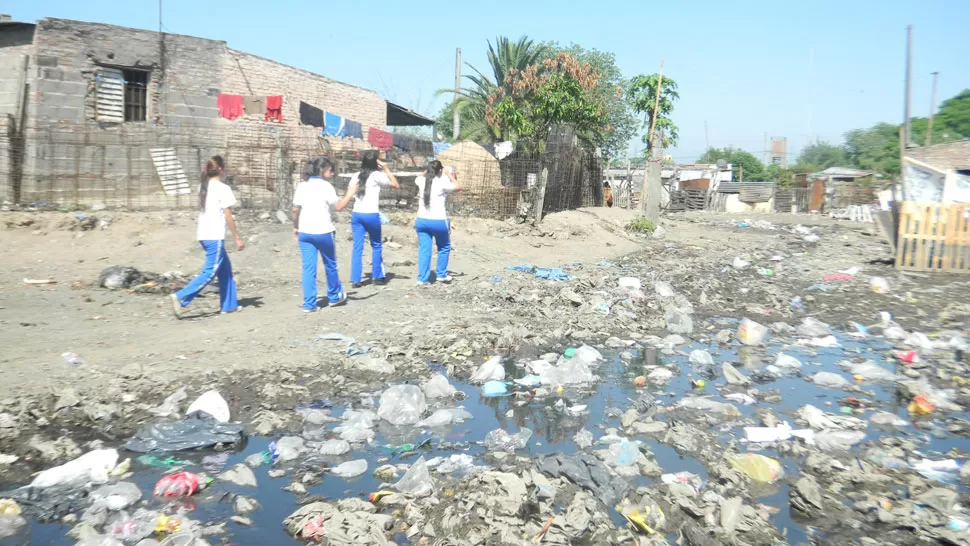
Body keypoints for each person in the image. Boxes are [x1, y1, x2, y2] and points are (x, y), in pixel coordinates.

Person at [169, 156, 244, 318]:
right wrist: (237, 236)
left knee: (226, 271)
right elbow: (228, 216)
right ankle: (180, 296)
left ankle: (229, 305)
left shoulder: (201, 187)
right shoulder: (223, 189)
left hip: (203, 234)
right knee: (210, 272)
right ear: (221, 170)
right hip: (214, 235)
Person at [292, 156, 347, 312]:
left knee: (308, 268)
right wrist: (351, 193)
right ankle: (334, 297)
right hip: (324, 231)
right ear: (323, 170)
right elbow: (339, 206)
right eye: (330, 171)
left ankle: (309, 304)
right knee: (330, 264)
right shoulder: (326, 187)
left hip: (305, 232)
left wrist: (295, 227)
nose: (332, 173)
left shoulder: (302, 186)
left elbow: (295, 210)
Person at [343, 150, 399, 287]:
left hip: (357, 214)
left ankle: (355, 279)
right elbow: (395, 184)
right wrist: (386, 168)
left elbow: (350, 191)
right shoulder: (377, 175)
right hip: (371, 214)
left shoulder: (355, 175)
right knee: (376, 245)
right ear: (376, 162)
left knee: (357, 247)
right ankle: (377, 276)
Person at [414, 160, 461, 285]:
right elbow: (458, 187)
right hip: (439, 221)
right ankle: (441, 274)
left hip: (422, 220)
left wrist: (429, 169)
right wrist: (449, 174)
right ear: (440, 170)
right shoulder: (442, 182)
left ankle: (422, 279)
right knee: (444, 247)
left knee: (425, 250)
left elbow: (420, 175)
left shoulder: (420, 181)